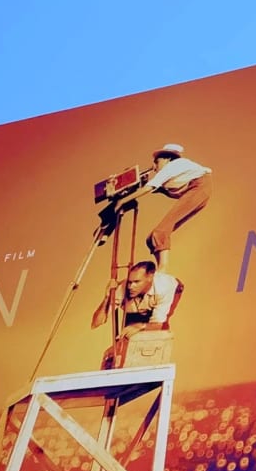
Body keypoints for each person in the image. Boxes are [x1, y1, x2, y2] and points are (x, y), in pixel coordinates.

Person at [112, 143, 212, 271]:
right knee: (151, 238)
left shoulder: (172, 166)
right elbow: (151, 187)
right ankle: (159, 270)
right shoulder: (176, 170)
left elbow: (149, 188)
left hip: (199, 188)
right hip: (200, 190)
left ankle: (162, 270)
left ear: (167, 158)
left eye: (156, 162)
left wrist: (122, 201)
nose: (154, 167)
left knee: (160, 232)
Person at [91, 261, 183, 339]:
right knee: (128, 334)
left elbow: (158, 324)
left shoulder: (164, 288)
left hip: (171, 291)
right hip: (141, 302)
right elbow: (96, 323)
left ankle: (161, 255)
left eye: (136, 282)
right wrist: (106, 298)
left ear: (150, 278)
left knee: (158, 330)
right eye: (130, 282)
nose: (131, 287)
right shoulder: (123, 288)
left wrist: (140, 326)